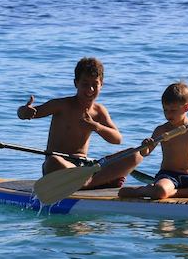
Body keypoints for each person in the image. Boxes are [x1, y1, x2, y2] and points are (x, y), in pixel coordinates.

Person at [17, 57, 142, 189]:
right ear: (76, 83)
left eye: (95, 84)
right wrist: (24, 112)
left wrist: (95, 126)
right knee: (52, 161)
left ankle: (89, 181)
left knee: (135, 155)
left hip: (85, 166)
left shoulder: (99, 111)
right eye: (85, 84)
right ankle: (97, 181)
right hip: (61, 165)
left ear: (102, 85)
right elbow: (26, 114)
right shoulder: (61, 105)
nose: (90, 89)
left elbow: (117, 139)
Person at [118, 82, 188, 199]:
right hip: (168, 176)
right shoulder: (162, 129)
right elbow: (145, 153)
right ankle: (140, 190)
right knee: (160, 191)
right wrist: (145, 145)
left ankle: (174, 193)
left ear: (186, 107)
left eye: (172, 110)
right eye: (165, 110)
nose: (168, 114)